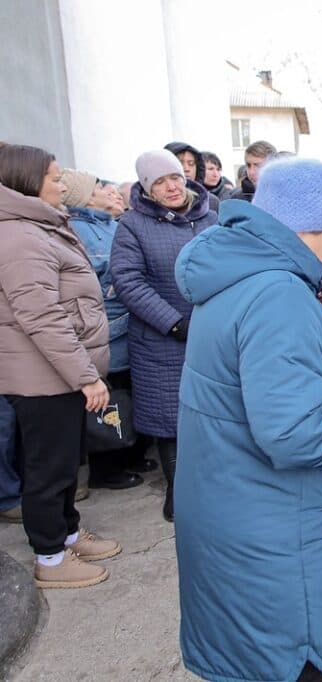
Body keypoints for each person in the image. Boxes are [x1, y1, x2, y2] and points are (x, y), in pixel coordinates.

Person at [174, 157, 322, 682]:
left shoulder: (238, 277)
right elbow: (293, 430)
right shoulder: (278, 295)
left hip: (238, 521)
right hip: (278, 544)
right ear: (306, 226)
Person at [0, 144, 121, 588]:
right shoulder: (19, 236)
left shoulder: (39, 226)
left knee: (65, 461)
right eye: (54, 177)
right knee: (47, 468)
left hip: (58, 371)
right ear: (27, 182)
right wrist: (85, 376)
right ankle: (49, 558)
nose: (62, 184)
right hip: (41, 375)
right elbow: (42, 317)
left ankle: (67, 533)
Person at [111, 149, 217, 522]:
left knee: (213, 416)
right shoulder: (133, 226)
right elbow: (128, 280)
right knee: (171, 422)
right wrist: (173, 323)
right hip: (162, 341)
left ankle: (214, 492)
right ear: (146, 189)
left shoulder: (210, 218)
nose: (171, 186)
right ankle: (179, 498)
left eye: (174, 177)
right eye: (160, 182)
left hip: (211, 335)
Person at [62, 169, 157, 490]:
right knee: (108, 404)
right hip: (106, 330)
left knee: (125, 398)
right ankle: (107, 469)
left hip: (126, 328)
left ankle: (128, 455)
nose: (110, 191)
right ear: (86, 195)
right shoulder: (78, 231)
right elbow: (99, 285)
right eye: (101, 187)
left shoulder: (110, 226)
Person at [165, 142, 220, 213]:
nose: (186, 169)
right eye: (180, 163)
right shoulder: (156, 202)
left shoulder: (210, 201)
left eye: (191, 163)